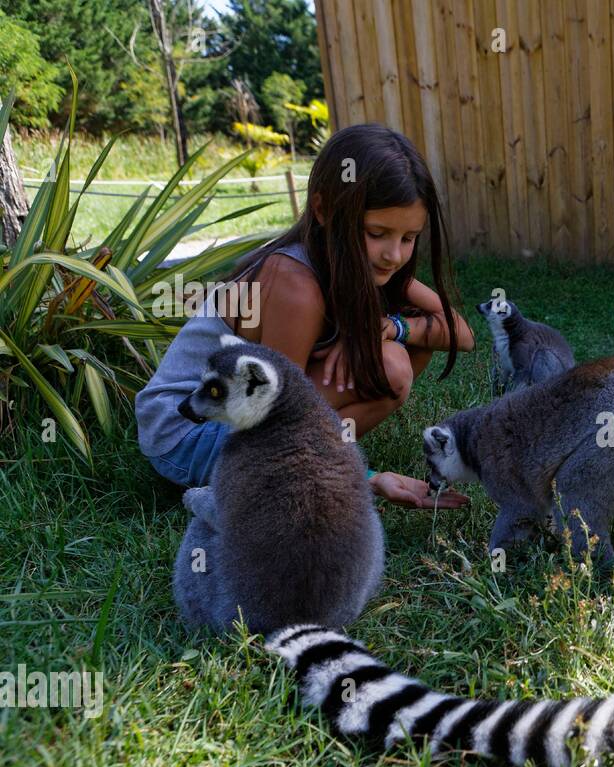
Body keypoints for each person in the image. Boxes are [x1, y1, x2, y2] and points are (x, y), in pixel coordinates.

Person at [135, 124, 474, 508]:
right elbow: (275, 418)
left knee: (397, 355)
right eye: (376, 232)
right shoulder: (294, 284)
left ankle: (304, 466)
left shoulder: (368, 265)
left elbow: (462, 334)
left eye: (408, 238)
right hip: (185, 435)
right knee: (390, 368)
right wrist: (364, 479)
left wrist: (391, 327)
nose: (393, 255)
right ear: (324, 211)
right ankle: (258, 484)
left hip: (246, 417)